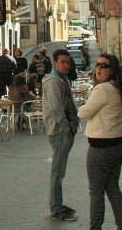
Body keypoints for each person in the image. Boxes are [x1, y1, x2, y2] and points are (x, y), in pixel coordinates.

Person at [78, 52, 122, 230]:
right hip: (119, 143)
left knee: (96, 191)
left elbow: (83, 112)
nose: (99, 69)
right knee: (112, 187)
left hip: (102, 146)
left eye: (104, 66)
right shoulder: (117, 87)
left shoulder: (103, 89)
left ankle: (95, 227)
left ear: (112, 69)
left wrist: (85, 104)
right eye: (98, 65)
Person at [42, 48, 79, 222]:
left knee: (60, 171)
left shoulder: (62, 79)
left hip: (65, 130)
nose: (66, 65)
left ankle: (58, 204)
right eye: (62, 62)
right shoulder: (53, 82)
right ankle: (56, 208)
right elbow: (57, 109)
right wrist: (66, 128)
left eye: (68, 62)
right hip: (59, 131)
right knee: (57, 171)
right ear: (55, 63)